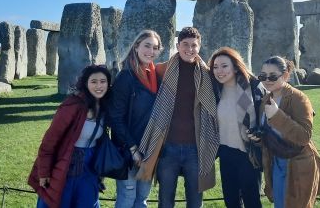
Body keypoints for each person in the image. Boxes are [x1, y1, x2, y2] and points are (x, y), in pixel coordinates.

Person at [136, 27, 219, 208]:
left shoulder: (208, 74)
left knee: (195, 201)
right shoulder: (162, 70)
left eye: (194, 45)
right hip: (168, 146)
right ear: (177, 45)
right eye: (185, 45)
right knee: (165, 200)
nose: (189, 49)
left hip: (196, 147)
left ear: (199, 46)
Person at [248, 56, 320, 208]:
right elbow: (271, 133)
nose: (267, 80)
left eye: (273, 76)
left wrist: (276, 115)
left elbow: (304, 136)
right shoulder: (266, 99)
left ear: (286, 75)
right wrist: (258, 139)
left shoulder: (299, 99)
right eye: (263, 76)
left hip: (297, 163)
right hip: (275, 161)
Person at [28, 65, 112, 208]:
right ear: (86, 83)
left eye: (103, 81)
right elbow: (49, 142)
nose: (99, 85)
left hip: (90, 167)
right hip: (66, 163)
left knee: (87, 202)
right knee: (61, 202)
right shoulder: (72, 105)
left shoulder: (105, 107)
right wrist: (44, 173)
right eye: (94, 81)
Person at [108, 30, 163, 208]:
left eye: (155, 47)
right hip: (128, 149)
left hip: (149, 149)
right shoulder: (126, 77)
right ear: (136, 46)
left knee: (142, 199)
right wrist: (132, 149)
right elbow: (115, 118)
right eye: (147, 45)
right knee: (127, 197)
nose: (151, 51)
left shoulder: (156, 76)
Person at [208, 47, 266, 208]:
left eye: (224, 66)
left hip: (248, 153)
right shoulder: (215, 90)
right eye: (215, 67)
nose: (219, 71)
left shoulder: (251, 87)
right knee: (231, 201)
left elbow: (266, 115)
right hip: (226, 152)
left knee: (252, 201)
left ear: (235, 66)